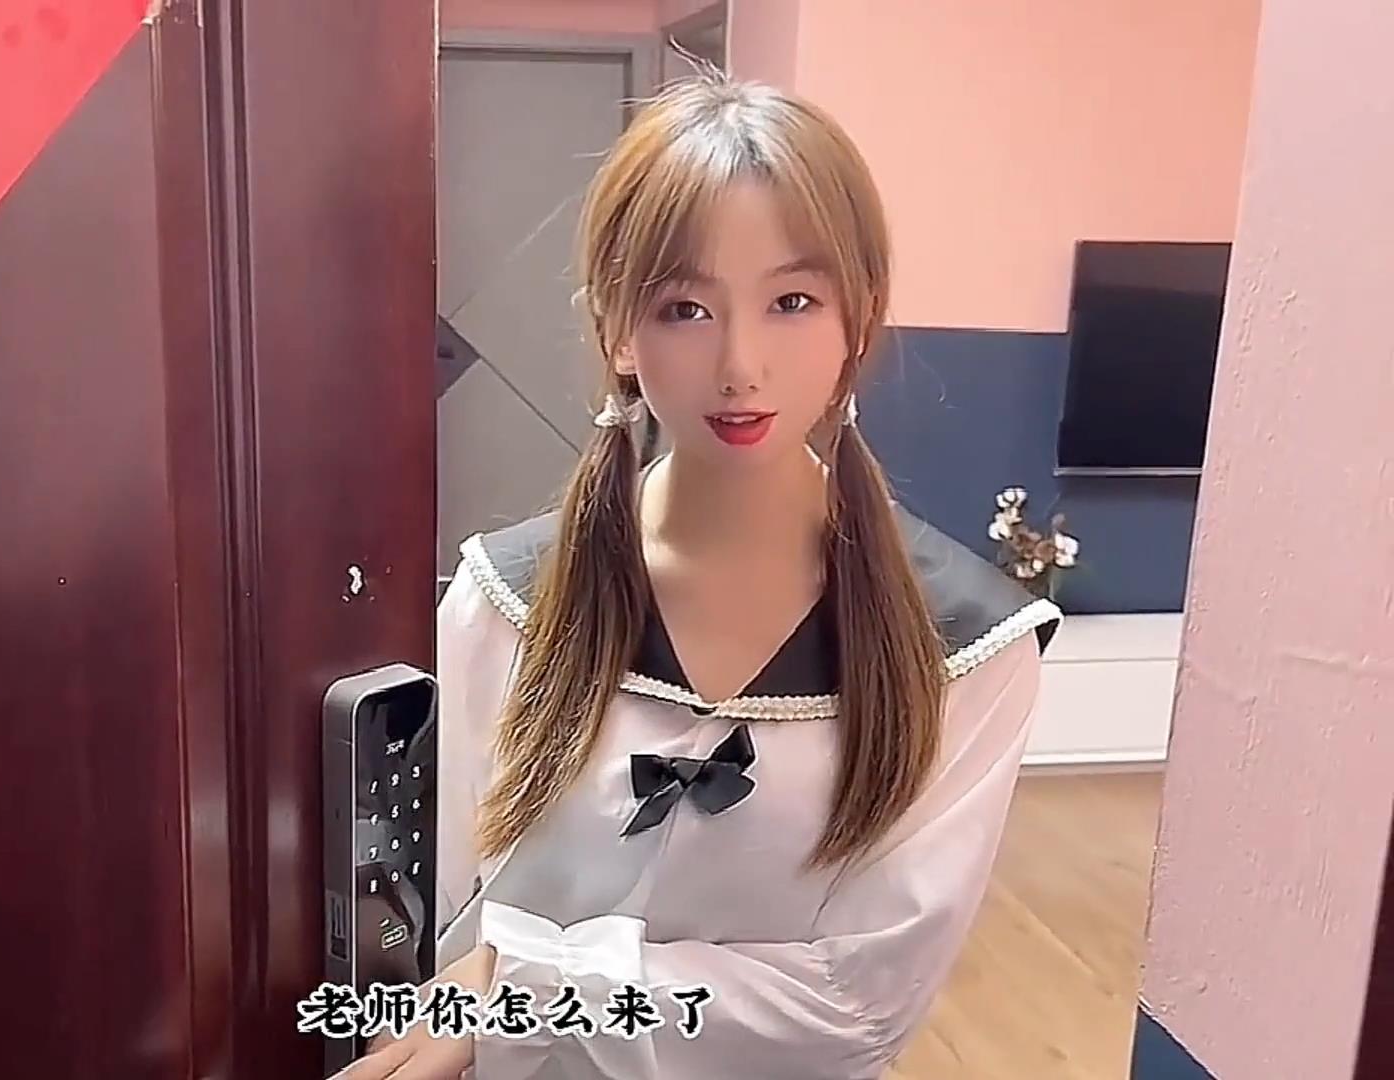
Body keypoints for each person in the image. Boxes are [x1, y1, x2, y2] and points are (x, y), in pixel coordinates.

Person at [337, 73, 1059, 1080]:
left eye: (792, 302)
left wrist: (536, 980)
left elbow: (860, 1003)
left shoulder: (965, 646)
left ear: (859, 319)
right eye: (685, 308)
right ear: (617, 332)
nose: (740, 364)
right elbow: (439, 929)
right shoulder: (504, 604)